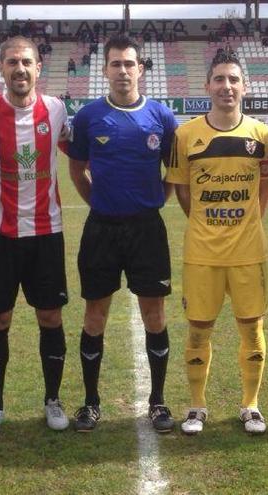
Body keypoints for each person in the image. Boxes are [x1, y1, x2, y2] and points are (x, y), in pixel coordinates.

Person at [66, 34, 178, 433]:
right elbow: (77, 169)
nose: (123, 71)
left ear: (141, 69)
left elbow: (174, 171)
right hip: (102, 229)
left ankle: (159, 402)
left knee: (155, 315)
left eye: (130, 64)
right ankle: (91, 402)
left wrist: (157, 199)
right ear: (105, 70)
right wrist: (98, 200)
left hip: (147, 229)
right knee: (95, 315)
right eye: (116, 64)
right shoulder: (88, 117)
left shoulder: (162, 118)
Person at [166, 51, 268, 436]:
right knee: (199, 329)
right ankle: (197, 406)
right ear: (207, 86)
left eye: (233, 79)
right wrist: (206, 223)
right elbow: (182, 192)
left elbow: (265, 189)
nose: (226, 86)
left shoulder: (264, 137)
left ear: (243, 86)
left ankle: (251, 405)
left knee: (252, 327)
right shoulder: (185, 136)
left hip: (249, 252)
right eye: (219, 79)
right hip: (201, 253)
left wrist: (247, 224)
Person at [0, 36, 72, 437]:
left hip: (47, 233)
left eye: (27, 62)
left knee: (50, 315)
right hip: (0, 234)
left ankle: (53, 399)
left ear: (38, 68)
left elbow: (79, 153)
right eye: (12, 61)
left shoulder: (58, 110)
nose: (20, 69)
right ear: (1, 68)